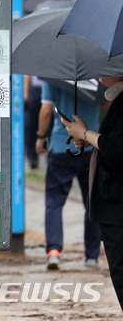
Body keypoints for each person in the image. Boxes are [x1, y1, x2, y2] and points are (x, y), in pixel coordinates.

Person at [61, 76, 123, 309]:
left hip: (117, 205)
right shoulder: (117, 99)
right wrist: (87, 138)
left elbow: (116, 150)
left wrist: (86, 133)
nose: (98, 74)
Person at [36, 82, 101, 270]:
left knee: (54, 202)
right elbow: (106, 104)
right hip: (91, 145)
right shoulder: (96, 73)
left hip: (60, 146)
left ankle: (53, 252)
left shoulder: (54, 76)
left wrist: (41, 137)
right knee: (91, 202)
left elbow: (46, 111)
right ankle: (92, 256)